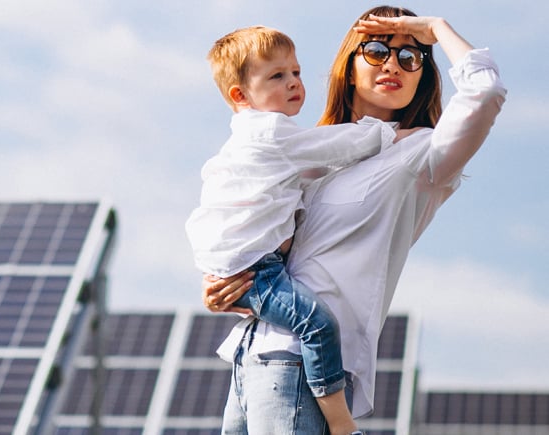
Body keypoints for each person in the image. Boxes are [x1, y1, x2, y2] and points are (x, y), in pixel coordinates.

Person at [201, 6, 506, 435]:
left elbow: (485, 93)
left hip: (305, 370)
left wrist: (435, 29)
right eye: (378, 49)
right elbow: (249, 226)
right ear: (348, 66)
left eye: (410, 57)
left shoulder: (422, 155)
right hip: (249, 358)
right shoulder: (307, 151)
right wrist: (224, 288)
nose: (393, 64)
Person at [186, 26, 403, 435]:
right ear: (239, 95)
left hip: (244, 273)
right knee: (318, 325)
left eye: (296, 72)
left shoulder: (246, 143)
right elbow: (337, 148)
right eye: (276, 76)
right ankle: (340, 420)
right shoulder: (272, 134)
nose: (294, 83)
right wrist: (389, 133)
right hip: (260, 271)